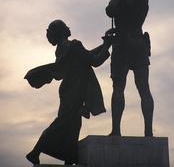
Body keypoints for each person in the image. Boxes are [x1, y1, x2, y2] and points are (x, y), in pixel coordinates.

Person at [25, 20, 111, 165]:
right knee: (62, 123)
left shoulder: (63, 48)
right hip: (74, 91)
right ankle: (35, 152)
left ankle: (69, 159)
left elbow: (86, 55)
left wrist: (105, 44)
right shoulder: (73, 45)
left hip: (71, 91)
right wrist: (107, 45)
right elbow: (93, 61)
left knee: (73, 126)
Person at [106, 0, 154, 137]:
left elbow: (110, 11)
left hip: (122, 45)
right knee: (144, 88)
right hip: (139, 43)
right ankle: (148, 131)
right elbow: (135, 19)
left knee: (118, 88)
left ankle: (116, 130)